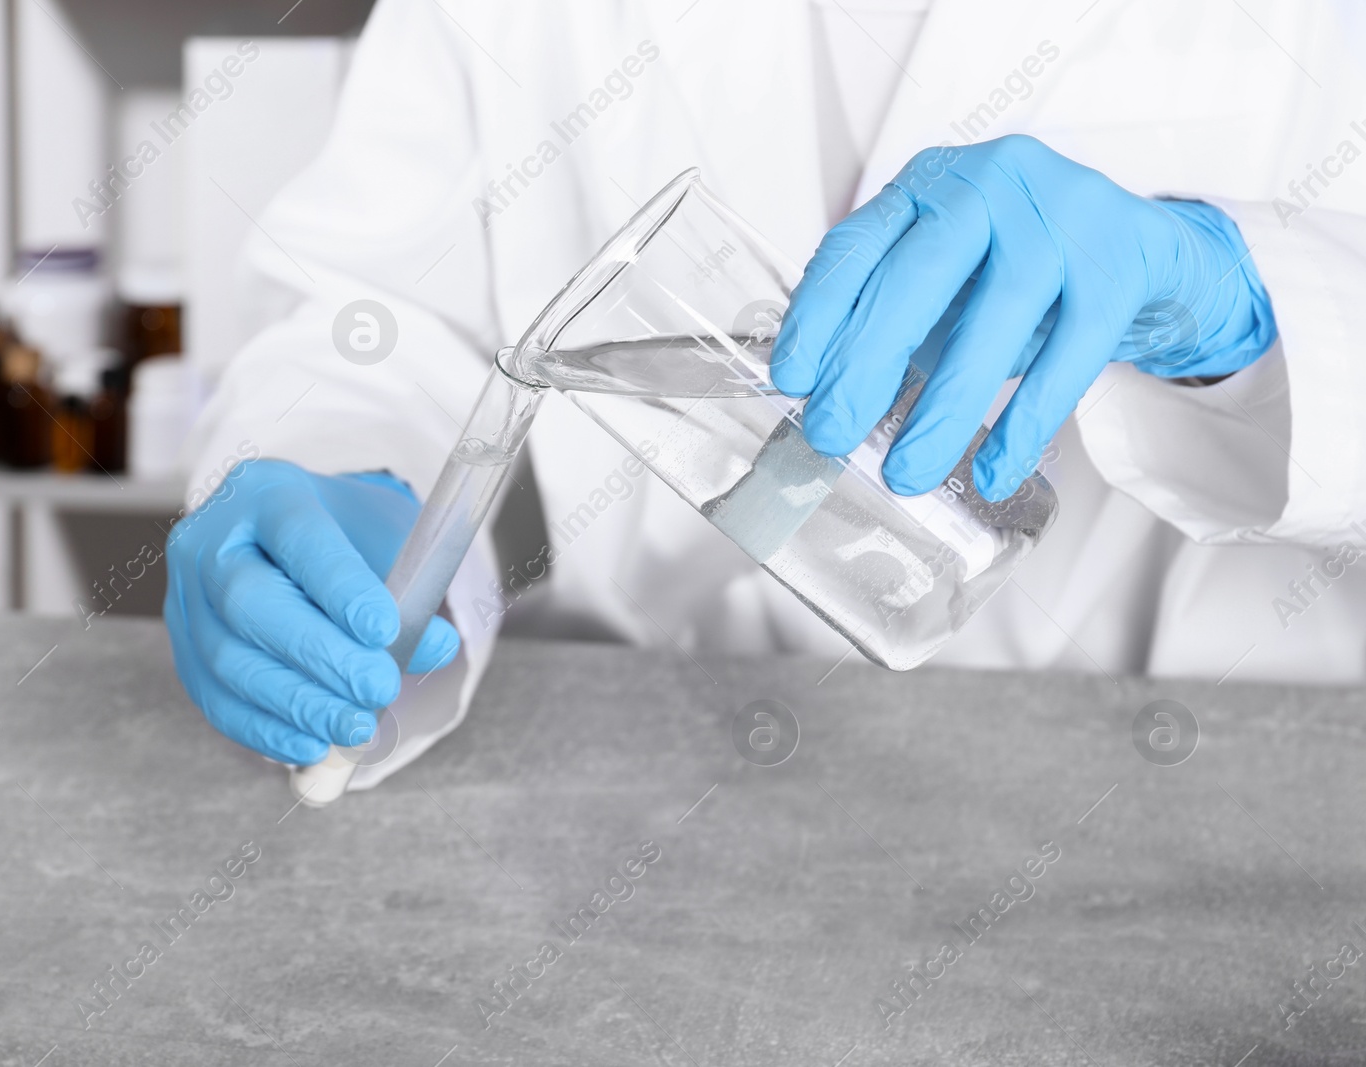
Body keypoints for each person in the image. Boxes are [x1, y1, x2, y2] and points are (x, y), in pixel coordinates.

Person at [166, 0, 1366, 787]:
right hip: (664, 779)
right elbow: (369, 304)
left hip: (1203, 789)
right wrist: (344, 472)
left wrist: (1243, 302)